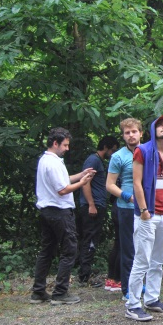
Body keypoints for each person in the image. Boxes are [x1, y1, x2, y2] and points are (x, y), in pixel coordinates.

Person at [31, 127, 95, 305]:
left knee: (47, 250)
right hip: (59, 211)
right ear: (55, 143)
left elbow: (64, 180)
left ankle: (38, 291)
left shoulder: (47, 160)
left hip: (47, 211)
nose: (67, 148)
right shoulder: (52, 162)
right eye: (65, 145)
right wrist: (82, 183)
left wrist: (81, 175)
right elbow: (62, 190)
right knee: (69, 250)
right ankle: (60, 292)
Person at [124, 115, 163, 321]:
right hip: (148, 214)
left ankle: (152, 299)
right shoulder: (143, 151)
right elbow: (136, 183)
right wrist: (144, 209)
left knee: (158, 261)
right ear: (153, 129)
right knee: (142, 260)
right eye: (160, 125)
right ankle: (133, 304)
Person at [106, 118, 142, 295]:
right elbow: (109, 185)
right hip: (126, 209)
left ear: (140, 133)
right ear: (123, 136)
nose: (131, 135)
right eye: (127, 133)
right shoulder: (118, 156)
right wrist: (126, 196)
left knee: (143, 249)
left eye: (134, 131)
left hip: (147, 209)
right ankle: (127, 287)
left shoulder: (149, 152)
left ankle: (141, 284)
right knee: (128, 249)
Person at [76, 135, 119, 285]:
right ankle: (84, 277)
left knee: (92, 239)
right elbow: (85, 183)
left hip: (97, 205)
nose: (113, 154)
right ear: (106, 147)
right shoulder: (93, 160)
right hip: (91, 207)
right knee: (90, 240)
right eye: (112, 150)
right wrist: (91, 204)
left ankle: (85, 273)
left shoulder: (98, 161)